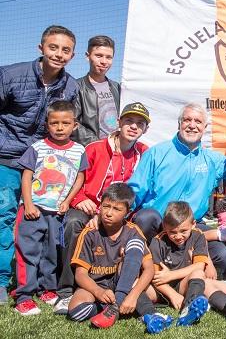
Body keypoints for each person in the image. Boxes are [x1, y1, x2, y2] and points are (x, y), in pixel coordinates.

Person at [0, 25, 78, 304]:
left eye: (66, 50)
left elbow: (65, 123)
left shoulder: (70, 86)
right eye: (53, 47)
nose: (59, 54)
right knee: (5, 216)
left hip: (45, 164)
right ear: (41, 48)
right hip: (7, 157)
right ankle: (2, 279)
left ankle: (43, 281)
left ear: (72, 54)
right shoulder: (11, 75)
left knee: (41, 225)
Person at [55, 102, 150, 314]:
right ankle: (66, 291)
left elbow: (143, 188)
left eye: (139, 123)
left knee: (146, 220)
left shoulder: (145, 153)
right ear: (119, 122)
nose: (133, 126)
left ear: (145, 129)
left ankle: (132, 284)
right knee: (73, 222)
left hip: (124, 211)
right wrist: (79, 198)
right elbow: (74, 180)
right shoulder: (94, 148)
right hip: (89, 206)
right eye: (128, 121)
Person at [127, 103, 226, 277]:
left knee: (224, 255)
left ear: (204, 128)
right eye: (187, 120)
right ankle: (145, 266)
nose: (192, 125)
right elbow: (135, 190)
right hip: (159, 225)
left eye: (198, 121)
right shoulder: (156, 153)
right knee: (145, 217)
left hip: (192, 227)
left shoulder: (213, 160)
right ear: (179, 124)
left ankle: (178, 270)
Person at [13, 101, 87, 315]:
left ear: (75, 125)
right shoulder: (38, 147)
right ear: (47, 125)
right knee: (28, 252)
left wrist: (67, 200)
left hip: (57, 213)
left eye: (66, 123)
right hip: (33, 211)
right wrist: (28, 203)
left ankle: (48, 289)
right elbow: (26, 176)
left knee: (51, 252)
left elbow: (79, 178)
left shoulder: (78, 150)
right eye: (55, 123)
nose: (60, 127)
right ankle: (24, 296)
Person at [68, 183, 168, 331]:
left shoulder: (133, 231)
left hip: (125, 283)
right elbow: (80, 274)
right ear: (100, 206)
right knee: (76, 311)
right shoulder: (90, 232)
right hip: (97, 285)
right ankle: (116, 307)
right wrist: (98, 291)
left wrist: (132, 296)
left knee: (135, 245)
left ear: (128, 212)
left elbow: (148, 269)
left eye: (116, 209)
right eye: (106, 206)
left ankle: (134, 308)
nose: (109, 213)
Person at [146, 201, 213, 327]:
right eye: (172, 232)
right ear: (164, 227)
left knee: (198, 273)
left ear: (193, 224)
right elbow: (154, 276)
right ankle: (150, 314)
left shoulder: (198, 236)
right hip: (161, 287)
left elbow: (199, 266)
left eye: (183, 231)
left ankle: (188, 308)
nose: (178, 236)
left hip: (183, 284)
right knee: (140, 285)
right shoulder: (157, 242)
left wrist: (170, 275)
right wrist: (173, 295)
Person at [72, 35, 121, 146]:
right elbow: (72, 122)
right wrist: (98, 144)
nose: (104, 61)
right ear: (87, 56)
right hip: (92, 148)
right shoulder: (76, 86)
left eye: (109, 57)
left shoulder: (116, 87)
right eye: (99, 56)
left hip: (117, 147)